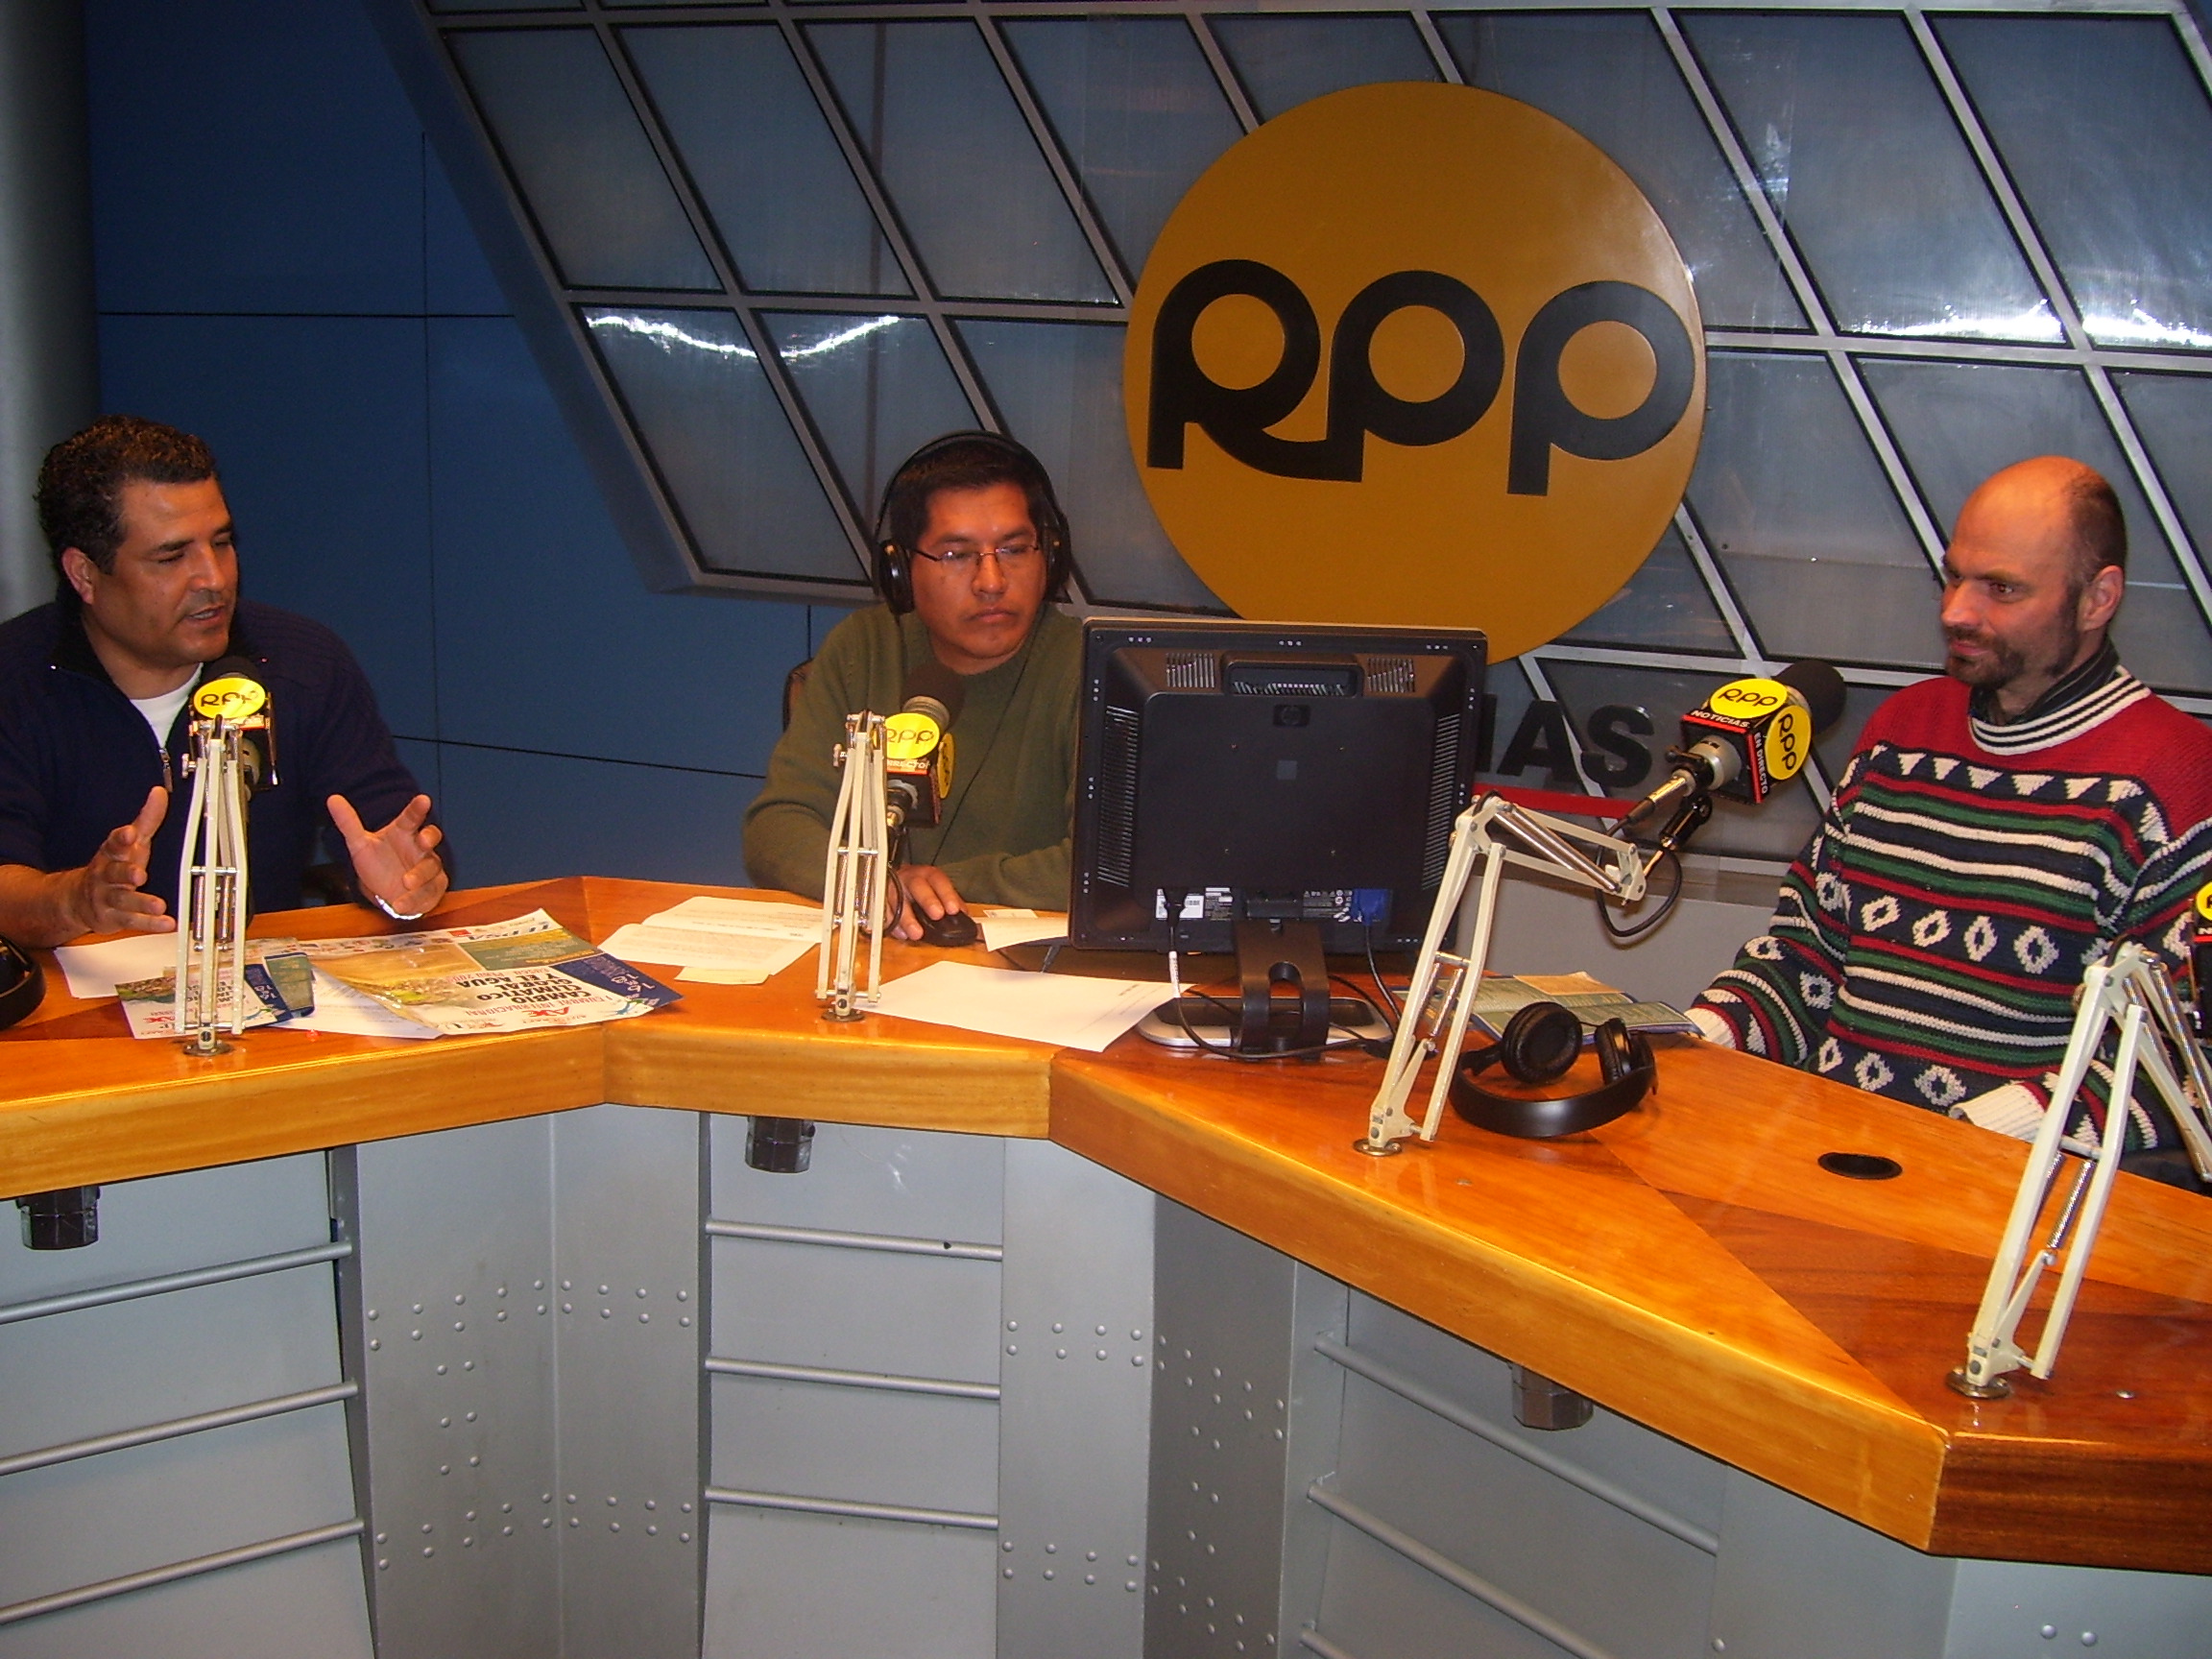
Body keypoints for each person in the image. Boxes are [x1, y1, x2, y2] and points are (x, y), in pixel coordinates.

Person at [1689, 456, 2212, 1170]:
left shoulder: (2179, 779)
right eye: (1954, 576)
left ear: (2098, 600)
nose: (1956, 612)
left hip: (2011, 1198)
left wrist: (1964, 1140)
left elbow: (2183, 1061)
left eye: (2002, 588)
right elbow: (1807, 958)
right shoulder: (1901, 732)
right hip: (1826, 1163)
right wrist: (1688, 1040)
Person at [0, 416, 447, 949]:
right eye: (172, 556)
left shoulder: (301, 664)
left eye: (222, 543)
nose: (213, 579)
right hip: (70, 988)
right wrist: (75, 901)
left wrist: (403, 885)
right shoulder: (15, 680)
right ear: (85, 575)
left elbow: (389, 831)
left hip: (257, 984)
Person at [743, 432, 1081, 939]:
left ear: (1049, 557)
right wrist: (868, 883)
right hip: (882, 951)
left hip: (1024, 969)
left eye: (1014, 549)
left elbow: (1104, 869)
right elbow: (777, 827)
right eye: (957, 555)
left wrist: (930, 890)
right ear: (900, 570)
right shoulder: (864, 648)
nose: (991, 581)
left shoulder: (1091, 668)